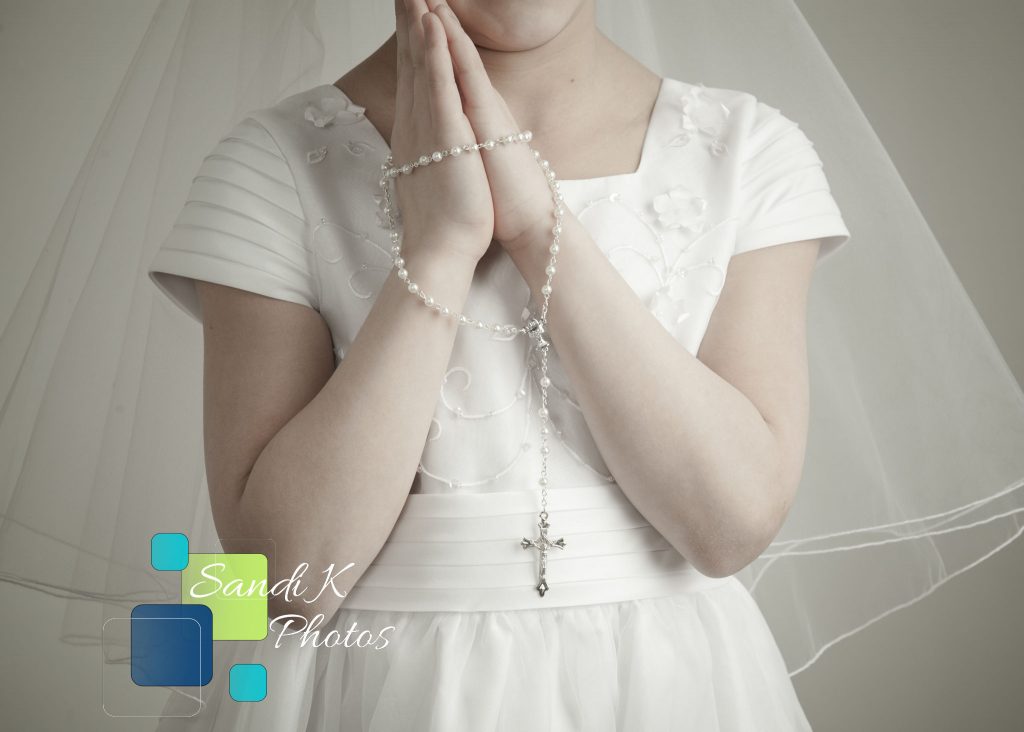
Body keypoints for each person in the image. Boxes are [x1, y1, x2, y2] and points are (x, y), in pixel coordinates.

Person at [145, 0, 850, 728]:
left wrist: (540, 227)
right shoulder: (275, 163)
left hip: (663, 688)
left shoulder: (746, 152)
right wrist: (441, 245)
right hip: (366, 687)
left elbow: (729, 528)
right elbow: (285, 581)